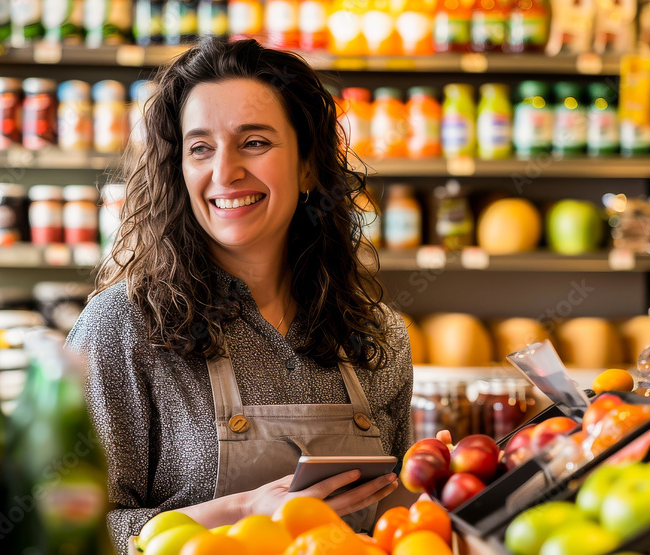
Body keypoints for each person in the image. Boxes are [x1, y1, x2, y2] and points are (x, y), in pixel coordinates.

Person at [66, 38, 415, 552]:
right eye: (201, 147)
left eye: (254, 142)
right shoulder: (123, 327)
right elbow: (72, 531)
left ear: (308, 166)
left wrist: (434, 485)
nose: (224, 172)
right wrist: (244, 511)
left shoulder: (375, 333)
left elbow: (395, 529)